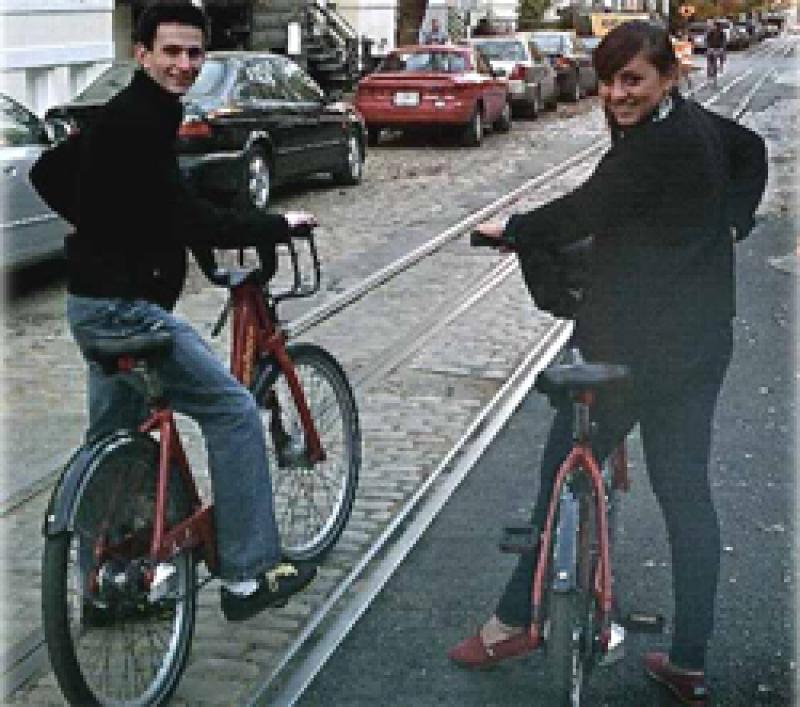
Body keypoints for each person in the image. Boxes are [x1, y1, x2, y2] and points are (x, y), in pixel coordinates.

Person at [448, 20, 766, 704]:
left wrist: (514, 229)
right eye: (610, 80)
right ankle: (689, 659)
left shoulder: (656, 146)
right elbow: (754, 150)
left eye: (633, 81)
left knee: (557, 474)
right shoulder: (699, 125)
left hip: (627, 350)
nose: (617, 94)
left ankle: (513, 622)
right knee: (686, 494)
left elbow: (585, 209)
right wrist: (731, 223)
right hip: (700, 345)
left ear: (666, 79)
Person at [62, 2, 317, 622]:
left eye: (193, 54)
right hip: (131, 312)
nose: (183, 65)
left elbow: (54, 174)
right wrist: (272, 222)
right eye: (170, 52)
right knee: (232, 411)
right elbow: (185, 217)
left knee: (114, 439)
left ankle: (104, 587)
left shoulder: (124, 114)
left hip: (88, 306)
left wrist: (110, 225)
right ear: (142, 53)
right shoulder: (142, 122)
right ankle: (248, 576)